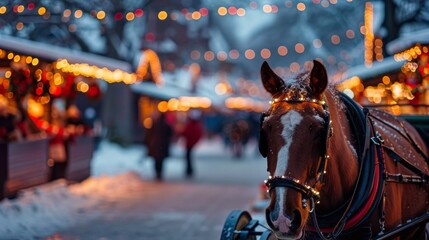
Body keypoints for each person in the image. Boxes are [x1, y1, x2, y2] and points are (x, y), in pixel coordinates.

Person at [144, 111, 173, 181]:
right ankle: (159, 173)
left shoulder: (155, 124)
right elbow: (170, 134)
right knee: (160, 160)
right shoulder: (165, 125)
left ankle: (157, 173)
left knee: (156, 160)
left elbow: (148, 134)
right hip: (162, 146)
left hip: (156, 145)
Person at [181, 110, 204, 178]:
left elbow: (188, 133)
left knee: (188, 157)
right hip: (190, 143)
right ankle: (189, 170)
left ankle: (189, 170)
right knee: (188, 157)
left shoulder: (192, 125)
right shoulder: (195, 124)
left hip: (190, 143)